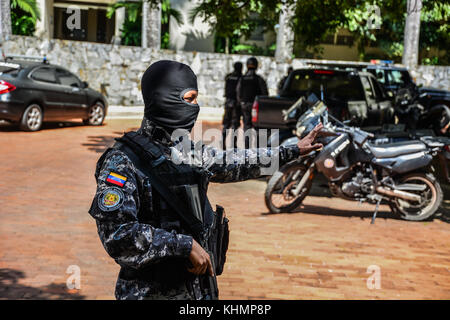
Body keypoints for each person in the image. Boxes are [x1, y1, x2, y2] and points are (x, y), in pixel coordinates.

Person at [88, 60, 323, 300]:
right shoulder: (123, 161)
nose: (195, 107)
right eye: (189, 99)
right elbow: (117, 234)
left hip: (199, 292)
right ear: (164, 98)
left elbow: (233, 162)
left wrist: (291, 151)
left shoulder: (185, 149)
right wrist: (182, 245)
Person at [236, 57, 268, 149]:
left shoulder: (242, 79)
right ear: (256, 66)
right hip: (256, 107)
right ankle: (257, 150)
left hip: (245, 106)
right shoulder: (259, 79)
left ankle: (247, 149)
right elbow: (265, 94)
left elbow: (238, 93)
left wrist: (242, 103)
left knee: (247, 127)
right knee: (258, 128)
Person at [222, 62, 242, 149]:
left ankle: (223, 143)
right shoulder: (241, 77)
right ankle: (233, 145)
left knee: (226, 124)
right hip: (236, 104)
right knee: (235, 125)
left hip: (228, 102)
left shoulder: (228, 76)